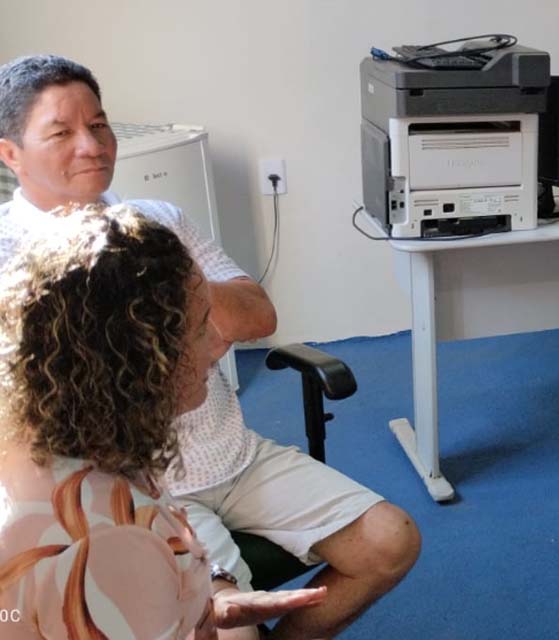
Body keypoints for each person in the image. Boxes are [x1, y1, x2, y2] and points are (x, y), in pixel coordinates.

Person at [0, 54, 420, 640]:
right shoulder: (11, 260)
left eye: (99, 125)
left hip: (233, 455)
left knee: (390, 539)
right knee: (227, 628)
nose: (92, 145)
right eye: (61, 132)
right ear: (10, 152)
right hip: (136, 478)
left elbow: (257, 315)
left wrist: (157, 263)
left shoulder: (157, 221)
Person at [0, 206, 327, 638]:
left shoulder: (81, 446)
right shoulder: (104, 541)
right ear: (129, 359)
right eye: (196, 329)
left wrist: (205, 600)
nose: (219, 343)